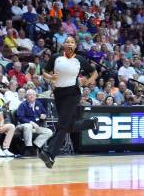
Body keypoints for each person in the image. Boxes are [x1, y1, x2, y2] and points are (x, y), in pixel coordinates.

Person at [39, 36, 100, 169]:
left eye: (72, 42)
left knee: (62, 125)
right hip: (59, 94)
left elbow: (94, 73)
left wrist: (87, 81)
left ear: (75, 46)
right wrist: (50, 77)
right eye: (67, 42)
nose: (69, 44)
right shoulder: (56, 57)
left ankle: (50, 154)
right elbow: (43, 72)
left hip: (73, 93)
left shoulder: (80, 59)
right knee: (68, 125)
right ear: (64, 44)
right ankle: (91, 123)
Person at [15, 88, 53, 156]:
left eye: (33, 94)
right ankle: (28, 147)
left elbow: (44, 113)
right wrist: (30, 122)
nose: (32, 96)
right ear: (26, 96)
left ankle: (35, 147)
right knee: (28, 126)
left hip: (36, 127)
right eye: (29, 95)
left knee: (49, 132)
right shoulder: (23, 105)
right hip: (23, 126)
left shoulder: (38, 104)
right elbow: (20, 117)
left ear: (36, 96)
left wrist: (44, 115)